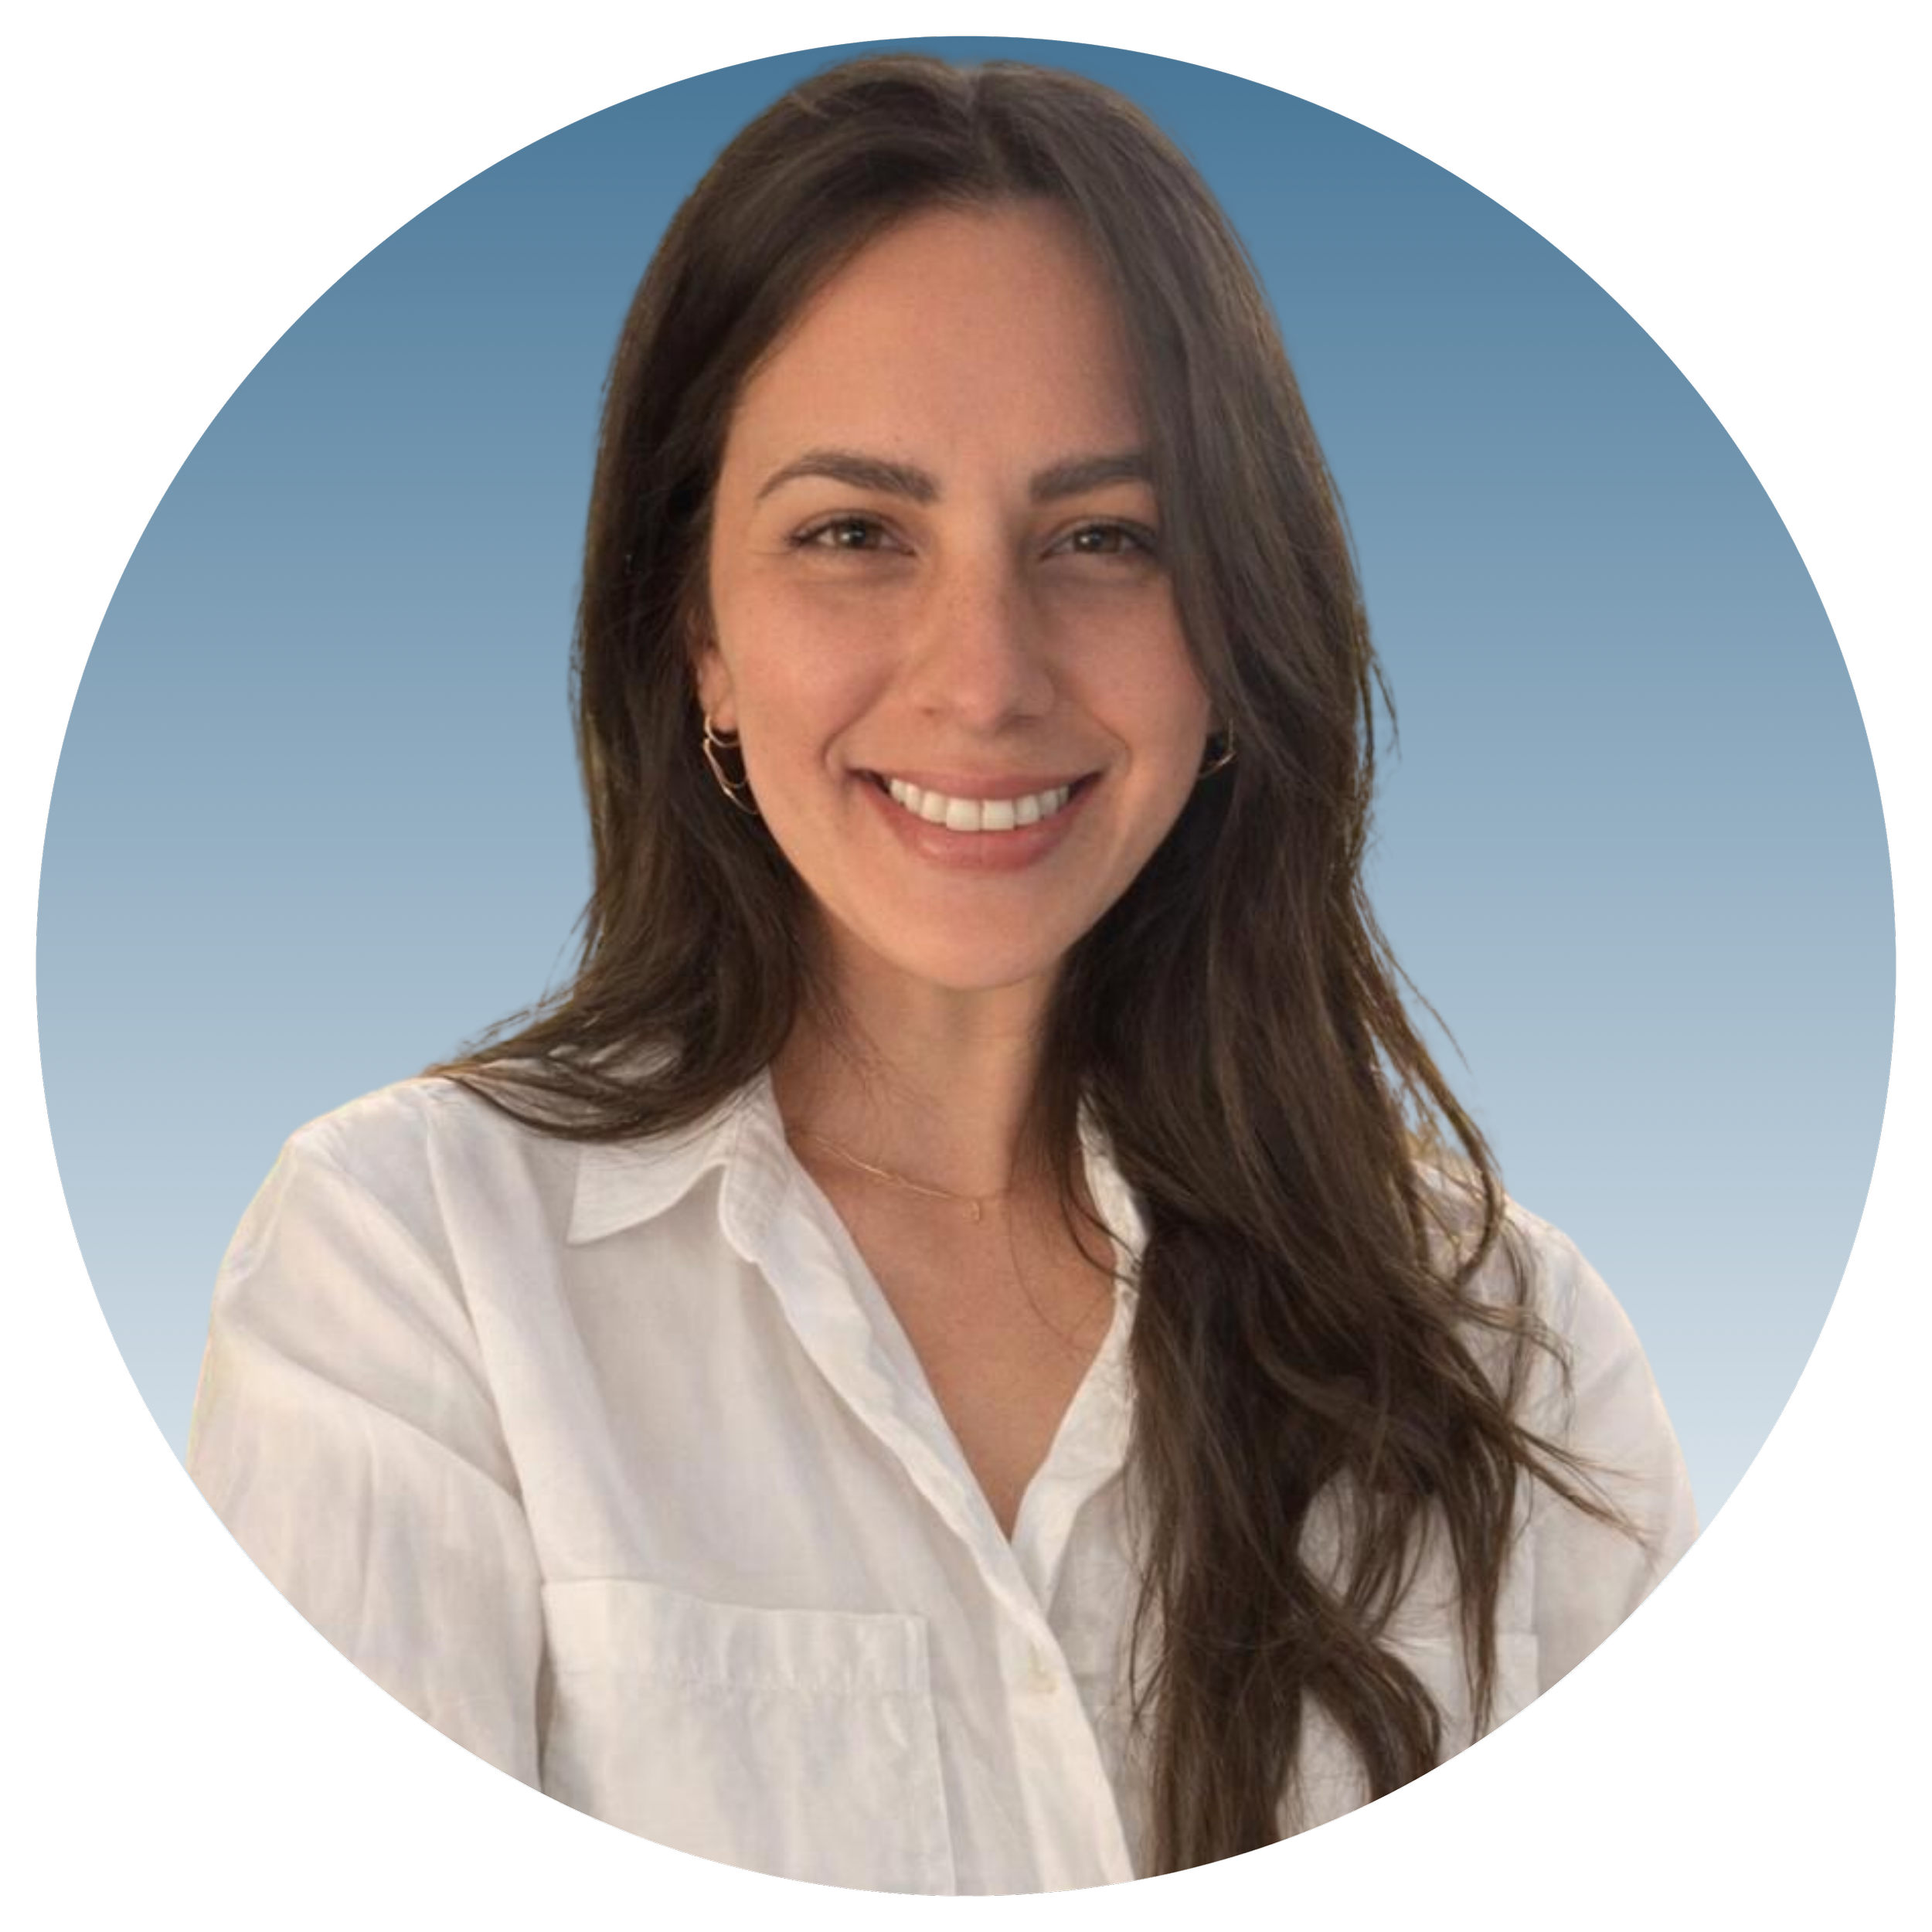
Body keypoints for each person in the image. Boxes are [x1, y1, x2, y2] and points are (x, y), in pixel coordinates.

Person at [185, 53, 1699, 1892]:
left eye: (1103, 539)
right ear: (696, 635)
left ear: (1236, 626)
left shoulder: (1512, 1359)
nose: (982, 676)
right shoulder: (411, 1273)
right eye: (851, 535)